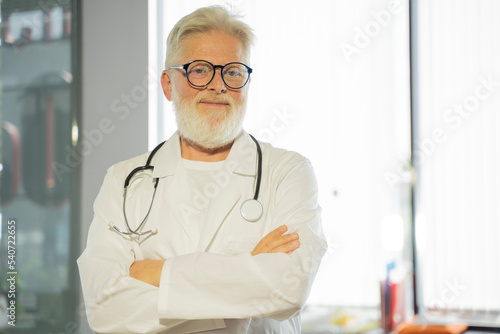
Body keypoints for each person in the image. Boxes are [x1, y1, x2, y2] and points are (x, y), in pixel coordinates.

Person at [77, 6, 326, 334]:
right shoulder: (123, 182)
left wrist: (154, 273)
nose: (218, 85)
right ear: (168, 84)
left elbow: (288, 288)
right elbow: (105, 308)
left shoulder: (288, 173)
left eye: (233, 71)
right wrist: (245, 280)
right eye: (199, 70)